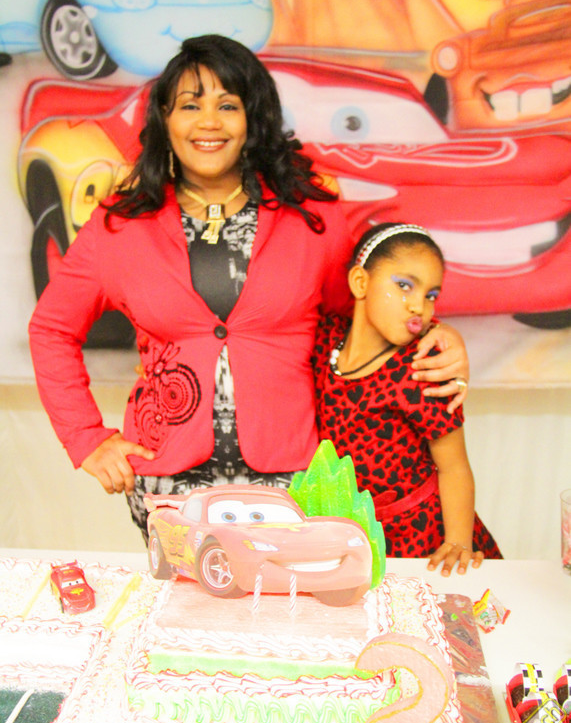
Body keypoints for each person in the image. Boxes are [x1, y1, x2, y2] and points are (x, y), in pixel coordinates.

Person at [29, 35, 470, 544]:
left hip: (290, 479)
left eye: (228, 106)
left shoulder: (312, 215)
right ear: (165, 120)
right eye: (190, 106)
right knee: (187, 596)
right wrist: (86, 438)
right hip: (166, 483)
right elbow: (51, 329)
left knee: (287, 595)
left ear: (252, 118)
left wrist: (436, 334)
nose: (209, 122)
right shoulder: (120, 224)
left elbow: (360, 314)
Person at [313, 223, 502, 575]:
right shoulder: (325, 339)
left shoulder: (422, 368)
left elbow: (454, 467)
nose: (419, 306)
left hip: (421, 536)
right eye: (404, 286)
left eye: (431, 295)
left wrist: (458, 542)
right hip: (355, 534)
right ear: (360, 282)